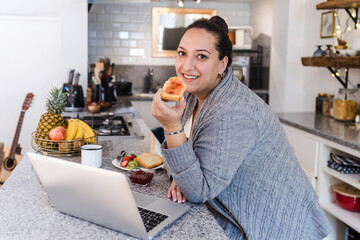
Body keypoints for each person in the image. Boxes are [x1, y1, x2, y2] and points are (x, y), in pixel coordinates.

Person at [151, 16, 330, 240]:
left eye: (202, 56)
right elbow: (186, 169)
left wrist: (171, 127)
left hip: (278, 228)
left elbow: (197, 190)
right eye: (182, 53)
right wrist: (183, 175)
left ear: (222, 64)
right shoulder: (192, 95)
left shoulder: (231, 111)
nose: (187, 65)